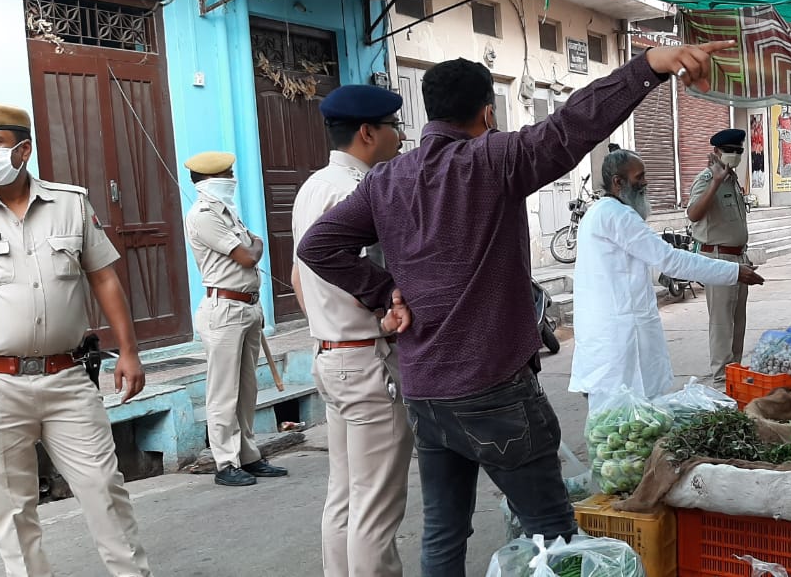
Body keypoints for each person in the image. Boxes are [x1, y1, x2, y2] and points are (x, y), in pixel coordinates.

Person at [296, 41, 735, 577]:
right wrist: (647, 67)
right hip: (493, 389)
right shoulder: (494, 159)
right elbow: (573, 126)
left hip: (426, 390)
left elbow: (317, 246)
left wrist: (382, 289)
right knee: (553, 533)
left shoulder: (388, 180)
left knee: (443, 530)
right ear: (487, 112)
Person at [0, 105, 152, 575]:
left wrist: (130, 351)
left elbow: (104, 279)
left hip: (67, 379)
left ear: (23, 149)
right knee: (12, 509)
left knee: (104, 489)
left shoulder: (70, 203)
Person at [290, 85, 412, 577]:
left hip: (332, 352)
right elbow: (365, 271)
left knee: (344, 498)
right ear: (367, 133)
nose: (401, 139)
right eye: (393, 128)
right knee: (375, 508)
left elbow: (300, 275)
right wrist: (384, 302)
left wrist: (326, 324)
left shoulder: (313, 185)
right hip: (365, 357)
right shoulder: (357, 193)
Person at [570, 148, 765, 409]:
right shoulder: (617, 216)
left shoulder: (598, 213)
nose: (646, 183)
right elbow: (671, 260)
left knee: (619, 424)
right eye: (639, 177)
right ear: (618, 183)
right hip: (619, 336)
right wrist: (733, 272)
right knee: (626, 424)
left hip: (609, 332)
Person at [183, 151, 288, 487]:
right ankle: (225, 462)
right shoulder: (203, 214)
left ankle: (248, 455)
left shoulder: (227, 212)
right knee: (223, 391)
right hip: (224, 309)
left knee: (246, 389)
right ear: (209, 180)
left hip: (245, 306)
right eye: (227, 174)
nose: (232, 180)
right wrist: (256, 245)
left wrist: (255, 245)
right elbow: (247, 255)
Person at [686, 129, 752, 386]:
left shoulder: (733, 179)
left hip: (738, 259)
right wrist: (715, 181)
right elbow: (693, 214)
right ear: (716, 152)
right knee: (722, 324)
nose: (735, 155)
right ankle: (722, 381)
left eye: (739, 151)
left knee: (737, 322)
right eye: (730, 150)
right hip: (717, 259)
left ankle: (734, 374)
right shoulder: (706, 179)